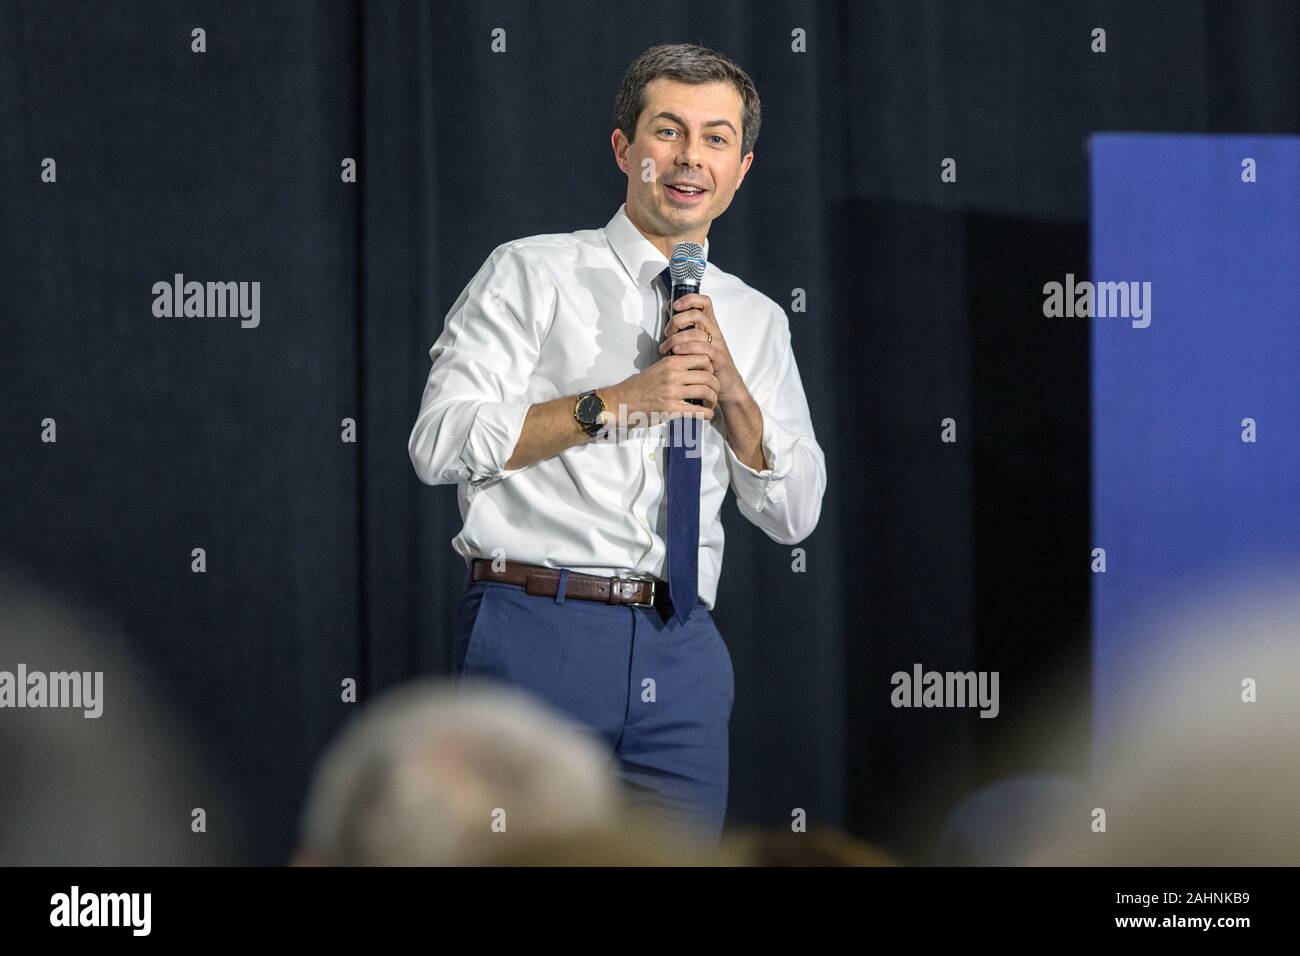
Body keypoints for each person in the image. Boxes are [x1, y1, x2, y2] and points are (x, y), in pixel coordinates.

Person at [408, 43, 826, 843]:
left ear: (741, 167)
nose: (689, 158)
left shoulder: (757, 318)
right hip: (536, 627)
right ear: (624, 149)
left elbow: (795, 513)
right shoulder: (530, 273)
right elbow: (438, 443)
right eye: (667, 132)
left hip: (683, 648)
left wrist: (734, 395)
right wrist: (614, 403)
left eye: (714, 139)